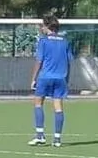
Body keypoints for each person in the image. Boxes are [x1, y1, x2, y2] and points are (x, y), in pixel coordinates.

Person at [28, 14, 73, 148]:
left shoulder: (43, 41)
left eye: (42, 25)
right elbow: (69, 62)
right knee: (58, 107)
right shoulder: (65, 41)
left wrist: (33, 79)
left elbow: (39, 61)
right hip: (61, 78)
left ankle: (40, 136)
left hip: (45, 77)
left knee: (38, 103)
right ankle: (57, 139)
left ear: (47, 26)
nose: (41, 28)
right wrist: (67, 79)